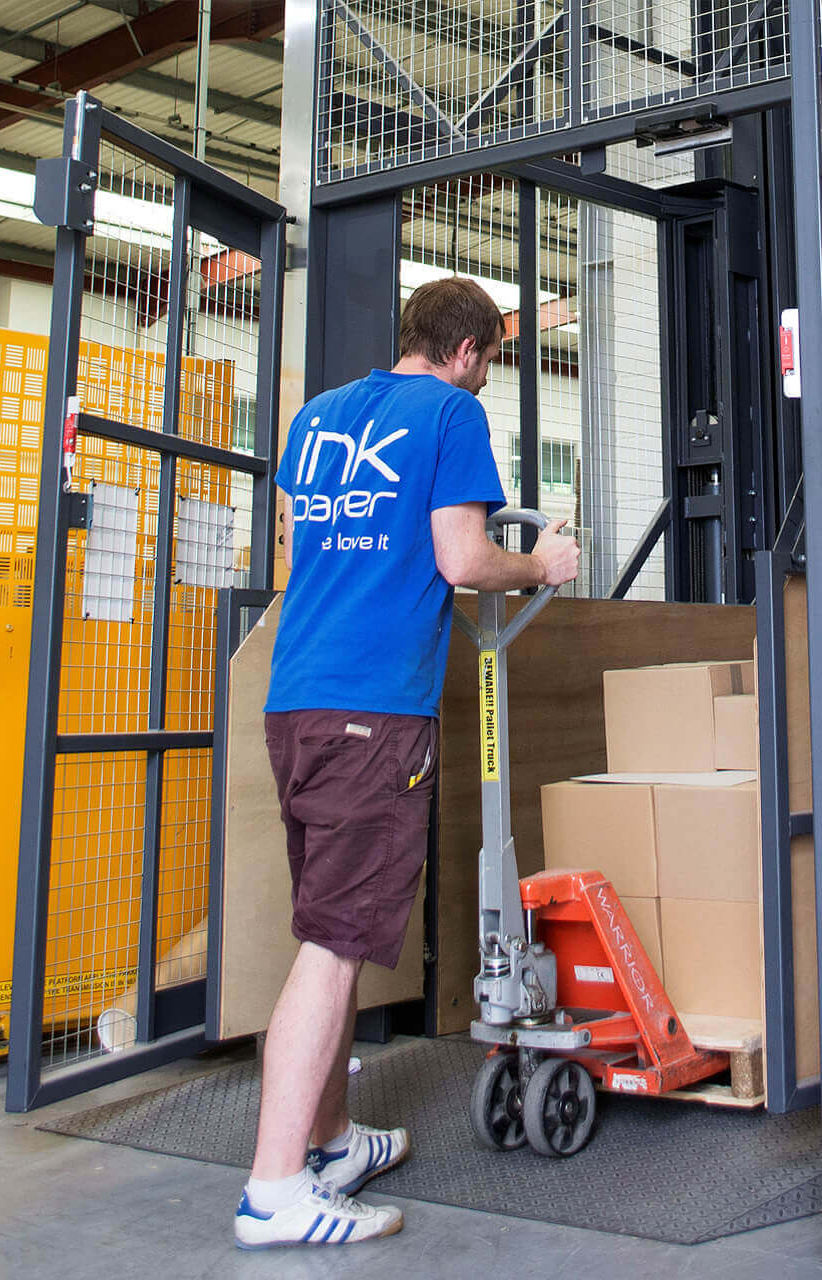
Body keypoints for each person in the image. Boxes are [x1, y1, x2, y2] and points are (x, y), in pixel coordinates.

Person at [234, 278, 580, 1249]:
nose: (484, 374)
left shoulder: (315, 417)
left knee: (323, 928)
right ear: (468, 352)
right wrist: (541, 566)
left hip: (297, 696)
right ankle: (274, 1188)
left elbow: (302, 551)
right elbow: (464, 558)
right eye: (490, 360)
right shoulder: (450, 413)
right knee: (336, 942)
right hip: (373, 709)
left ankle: (331, 1139)